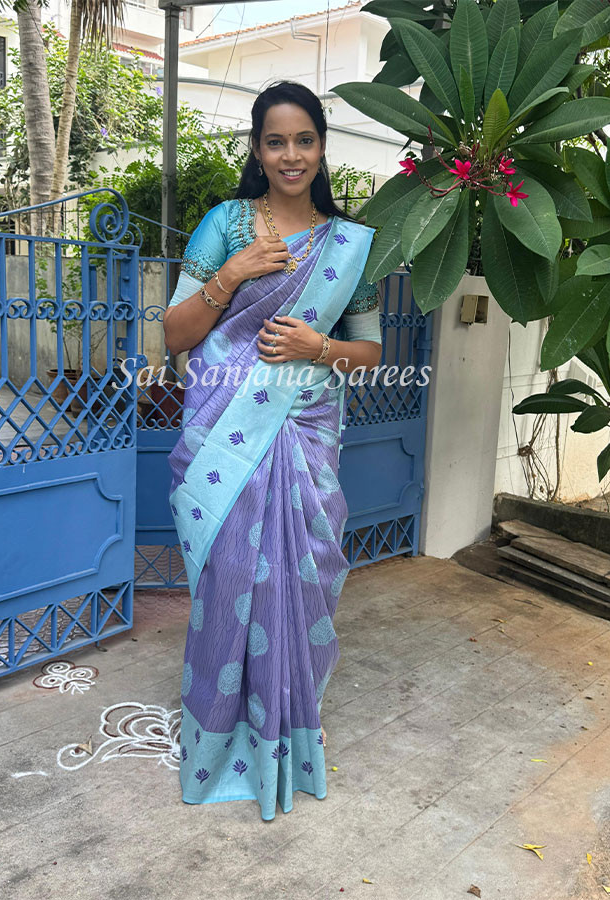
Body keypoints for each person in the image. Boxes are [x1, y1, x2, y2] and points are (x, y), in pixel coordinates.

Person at [163, 79, 382, 821]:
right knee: (229, 580)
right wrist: (234, 274)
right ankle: (219, 743)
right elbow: (175, 334)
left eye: (304, 140)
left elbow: (370, 353)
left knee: (302, 576)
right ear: (257, 150)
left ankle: (285, 733)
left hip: (304, 431)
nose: (291, 155)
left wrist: (319, 346)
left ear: (321, 147)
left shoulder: (347, 243)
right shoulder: (226, 225)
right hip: (225, 435)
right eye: (276, 141)